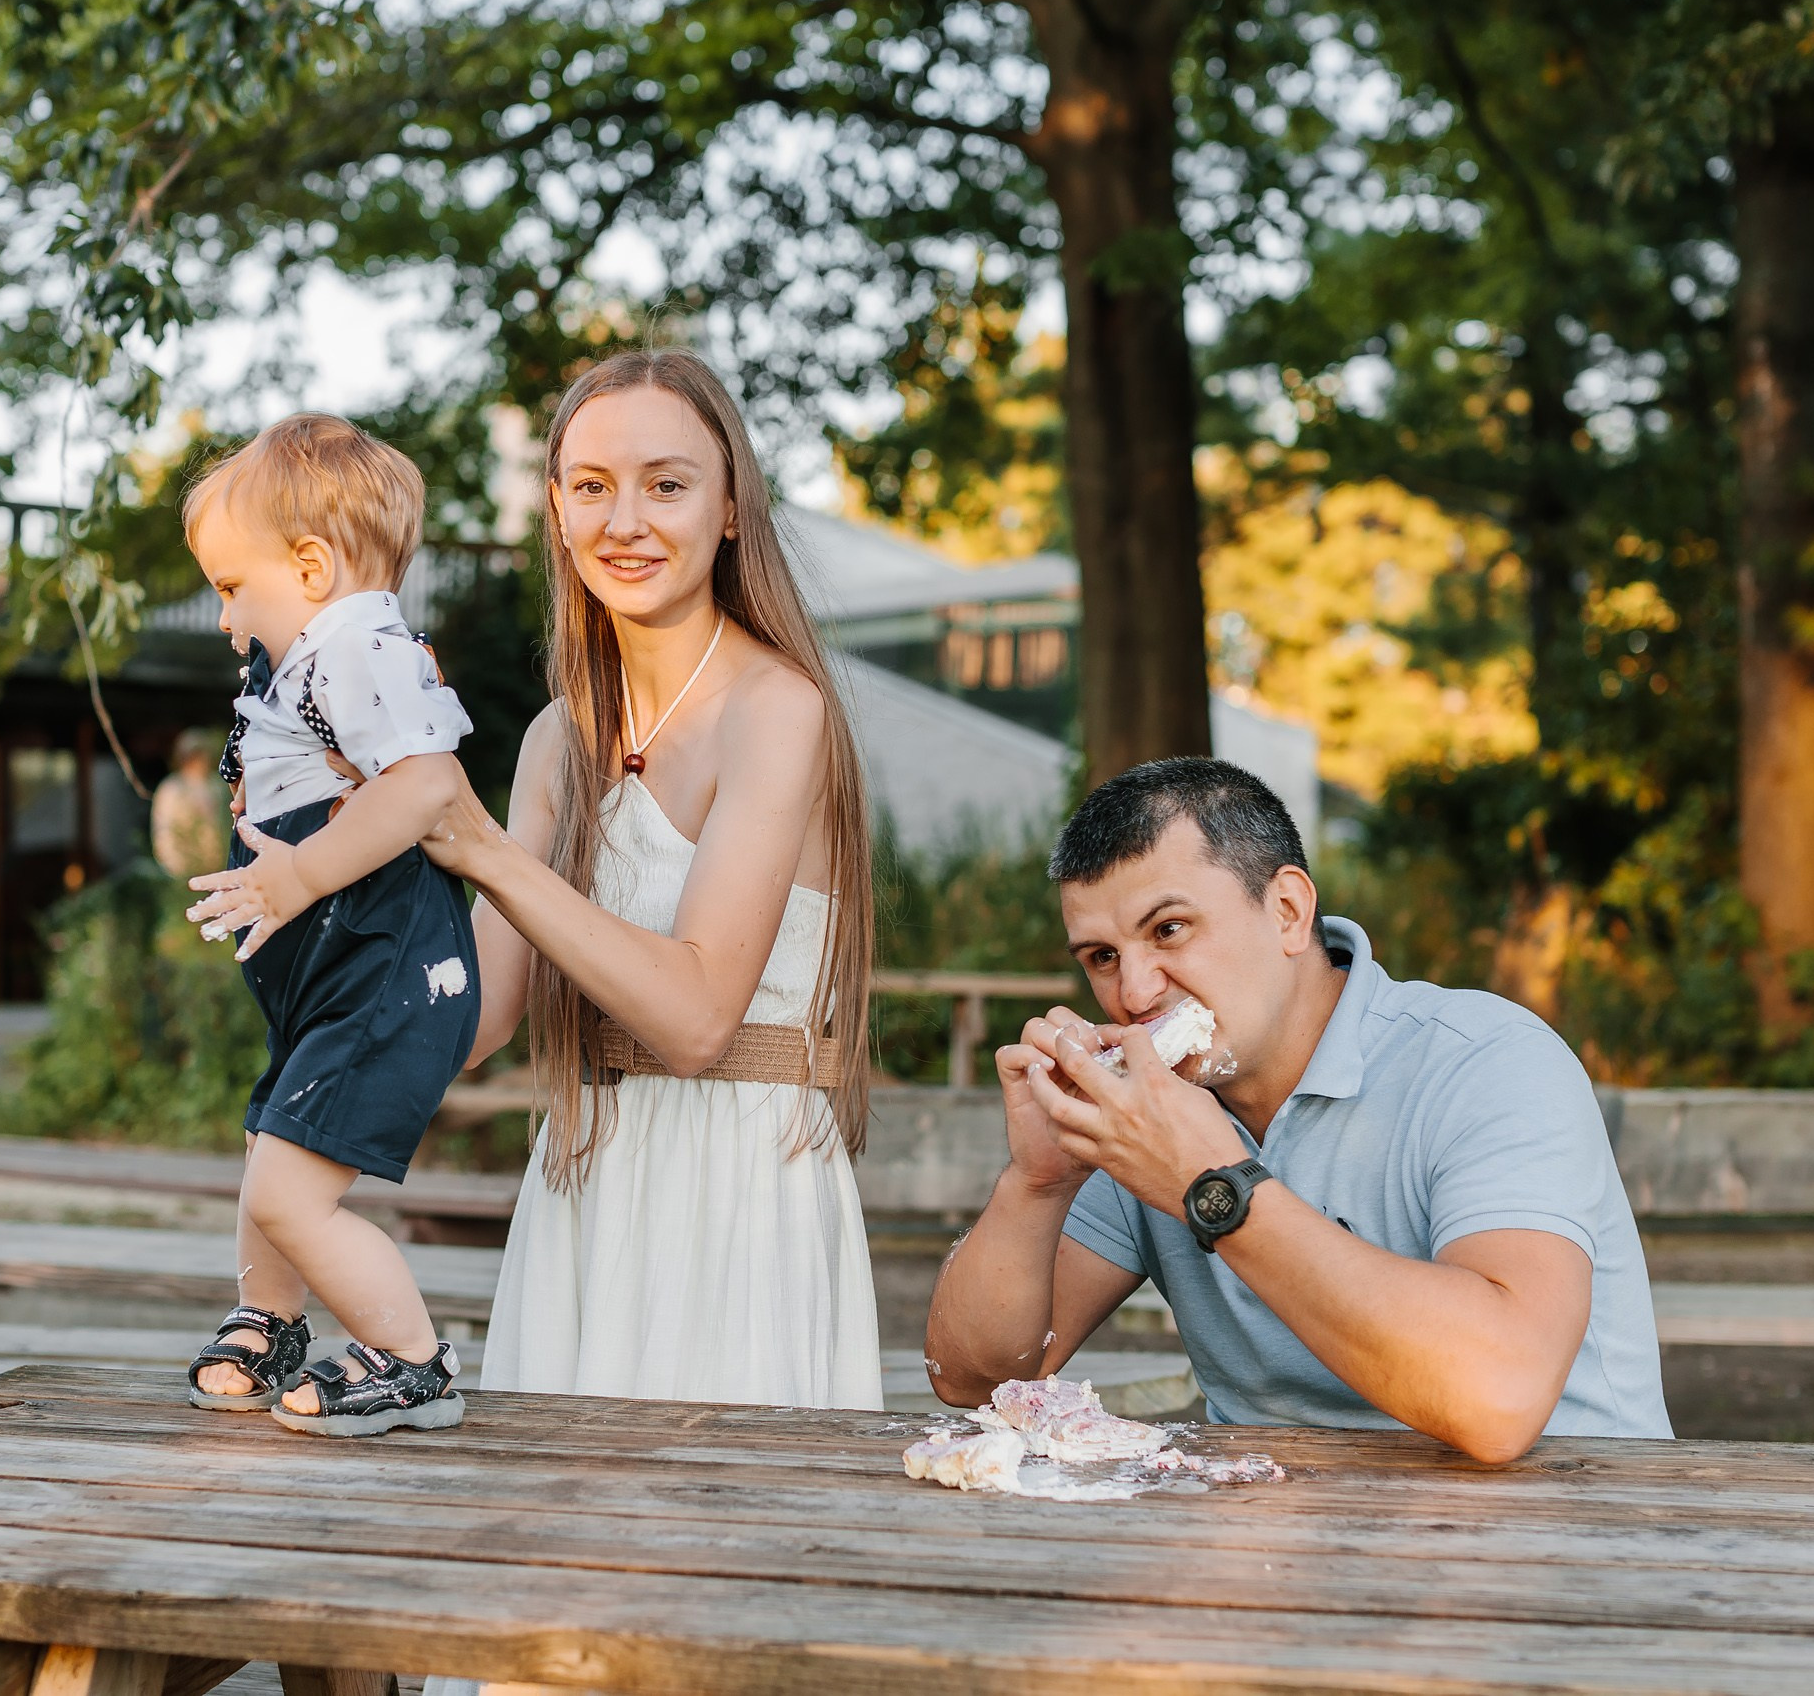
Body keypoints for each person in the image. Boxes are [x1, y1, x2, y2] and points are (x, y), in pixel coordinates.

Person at [926, 758, 1670, 1460]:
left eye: (1169, 929)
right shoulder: (1145, 1117)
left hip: (1568, 1535)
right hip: (1283, 1539)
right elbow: (973, 1380)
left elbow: (1499, 1397)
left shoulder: (1488, 1059)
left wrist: (1210, 1182)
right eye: (1101, 956)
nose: (1135, 992)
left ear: (1287, 910)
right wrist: (1038, 1185)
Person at [418, 347, 884, 1412]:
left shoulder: (777, 710)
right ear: (556, 511)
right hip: (588, 1182)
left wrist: (480, 846)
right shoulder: (555, 739)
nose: (624, 521)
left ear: (729, 509)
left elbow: (694, 1016)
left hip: (732, 1196)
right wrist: (337, 854)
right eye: (592, 488)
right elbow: (474, 1021)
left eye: (665, 485)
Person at [178, 412, 480, 1437]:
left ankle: (411, 1357)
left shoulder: (358, 645)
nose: (224, 618)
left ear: (310, 566)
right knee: (275, 1137)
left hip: (380, 958)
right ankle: (271, 1313)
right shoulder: (311, 655)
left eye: (230, 586)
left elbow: (428, 785)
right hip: (333, 965)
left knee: (289, 1183)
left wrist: (298, 873)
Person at [149, 727, 229, 880]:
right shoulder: (171, 788)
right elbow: (164, 830)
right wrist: (174, 865)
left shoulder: (218, 786)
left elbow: (226, 822)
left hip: (217, 867)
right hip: (182, 868)